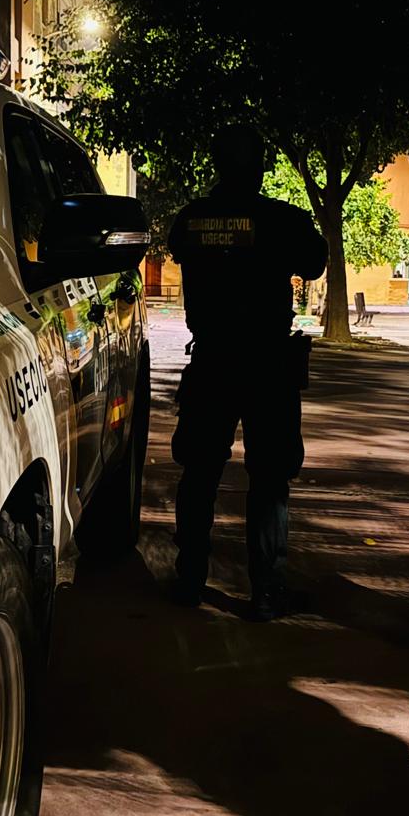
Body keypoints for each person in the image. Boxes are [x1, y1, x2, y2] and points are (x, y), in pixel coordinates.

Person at [168, 125, 328, 620]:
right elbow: (316, 261)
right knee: (270, 478)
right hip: (266, 367)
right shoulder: (280, 219)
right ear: (259, 167)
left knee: (200, 473)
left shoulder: (191, 219)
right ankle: (265, 590)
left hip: (213, 361)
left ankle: (190, 580)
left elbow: (180, 250)